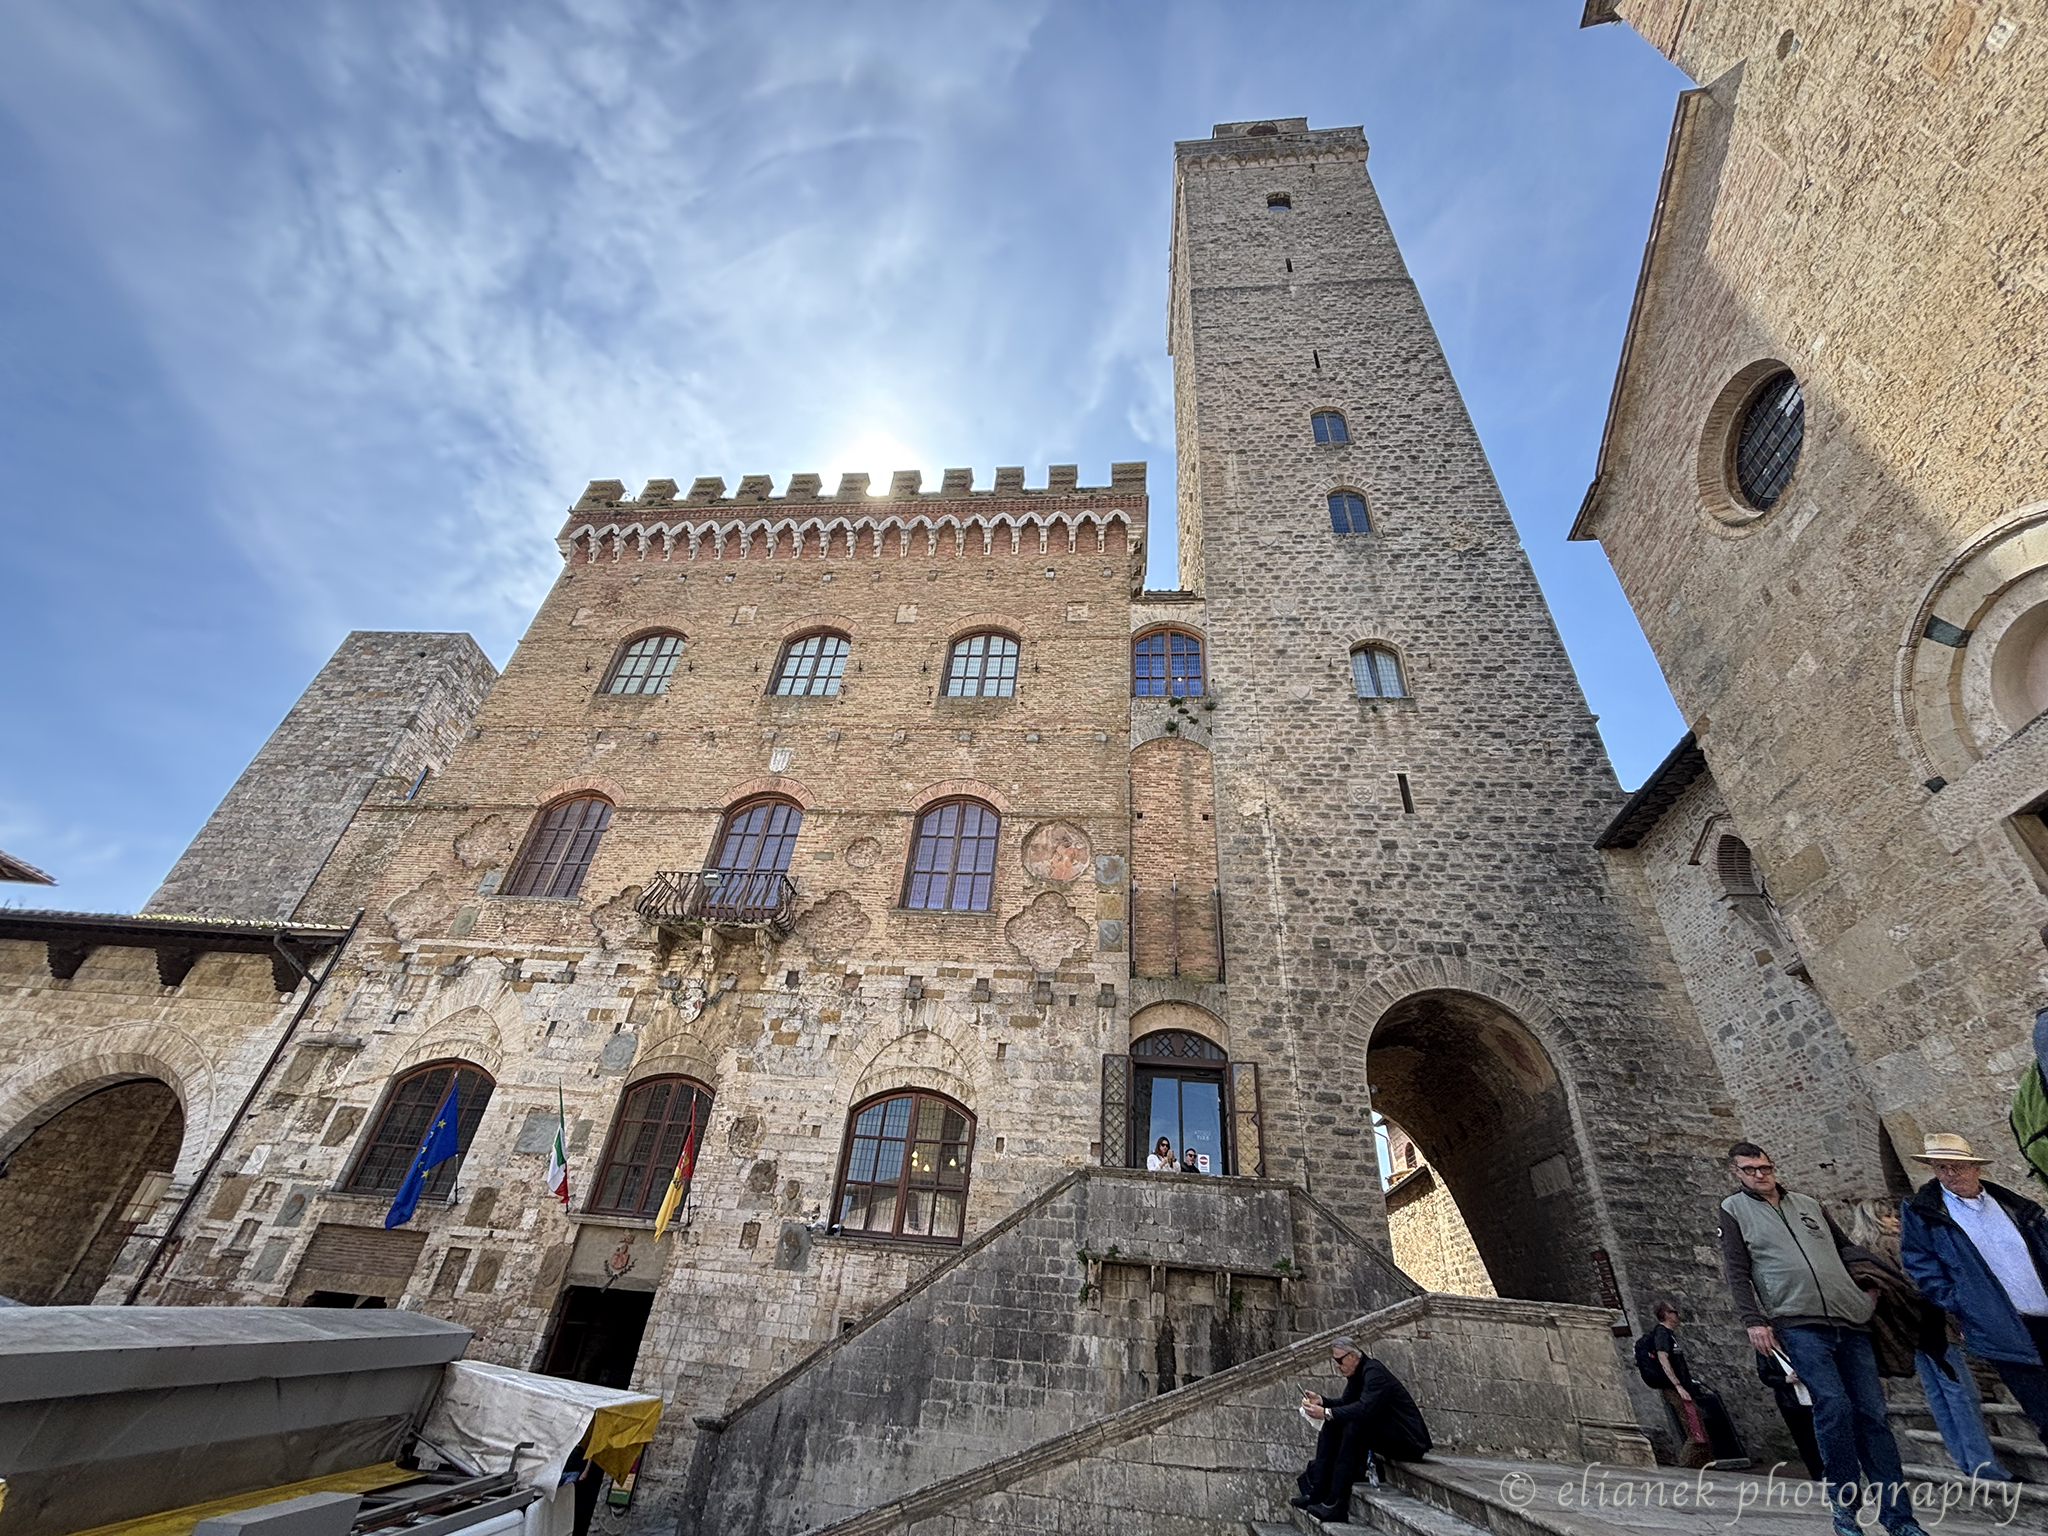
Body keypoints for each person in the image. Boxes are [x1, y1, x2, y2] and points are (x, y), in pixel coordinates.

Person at [1718, 1142, 1928, 1536]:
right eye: (1750, 1170)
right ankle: (1845, 1509)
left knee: (1874, 1416)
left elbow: (1846, 1248)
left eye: (1765, 1167)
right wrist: (1753, 1320)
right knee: (1833, 1406)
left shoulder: (1808, 1203)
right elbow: (1736, 1268)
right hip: (1798, 1322)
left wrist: (1870, 1290)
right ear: (1737, 1173)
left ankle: (1900, 1520)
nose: (1760, 1175)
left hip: (1850, 1319)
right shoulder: (1734, 1210)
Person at [1844, 1195, 2014, 1482]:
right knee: (1962, 1394)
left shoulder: (1863, 1253)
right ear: (1875, 1220)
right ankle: (1983, 1464)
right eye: (1887, 1216)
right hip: (1931, 1327)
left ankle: (1965, 1460)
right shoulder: (1895, 1246)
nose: (1895, 1220)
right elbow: (1922, 1284)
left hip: (1909, 1334)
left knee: (1939, 1396)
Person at [1899, 1131, 2048, 1446]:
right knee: (2044, 1410)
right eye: (1941, 1168)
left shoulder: (2011, 1204)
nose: (1950, 1175)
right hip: (2001, 1326)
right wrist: (1963, 1303)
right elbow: (1920, 1264)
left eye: (1957, 1166)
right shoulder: (1923, 1211)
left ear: (1975, 1168)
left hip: (2044, 1311)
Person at [1291, 1336, 1431, 1525]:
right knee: (1332, 1422)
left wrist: (1327, 1412)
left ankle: (1337, 1502)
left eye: (1340, 1360)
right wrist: (1323, 1402)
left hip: (1408, 1440)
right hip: (1387, 1433)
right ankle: (1317, 1492)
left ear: (1353, 1356)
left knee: (1355, 1427)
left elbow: (1365, 1408)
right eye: (1335, 1361)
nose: (1338, 1366)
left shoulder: (1374, 1372)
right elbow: (1346, 1404)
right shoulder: (1357, 1375)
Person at [1754, 1345, 1825, 1480]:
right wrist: (1786, 1379)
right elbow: (1764, 1375)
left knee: (1824, 1436)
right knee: (1805, 1441)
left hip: (1816, 1398)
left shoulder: (1798, 1340)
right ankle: (1818, 1475)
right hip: (1791, 1402)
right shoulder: (1763, 1349)